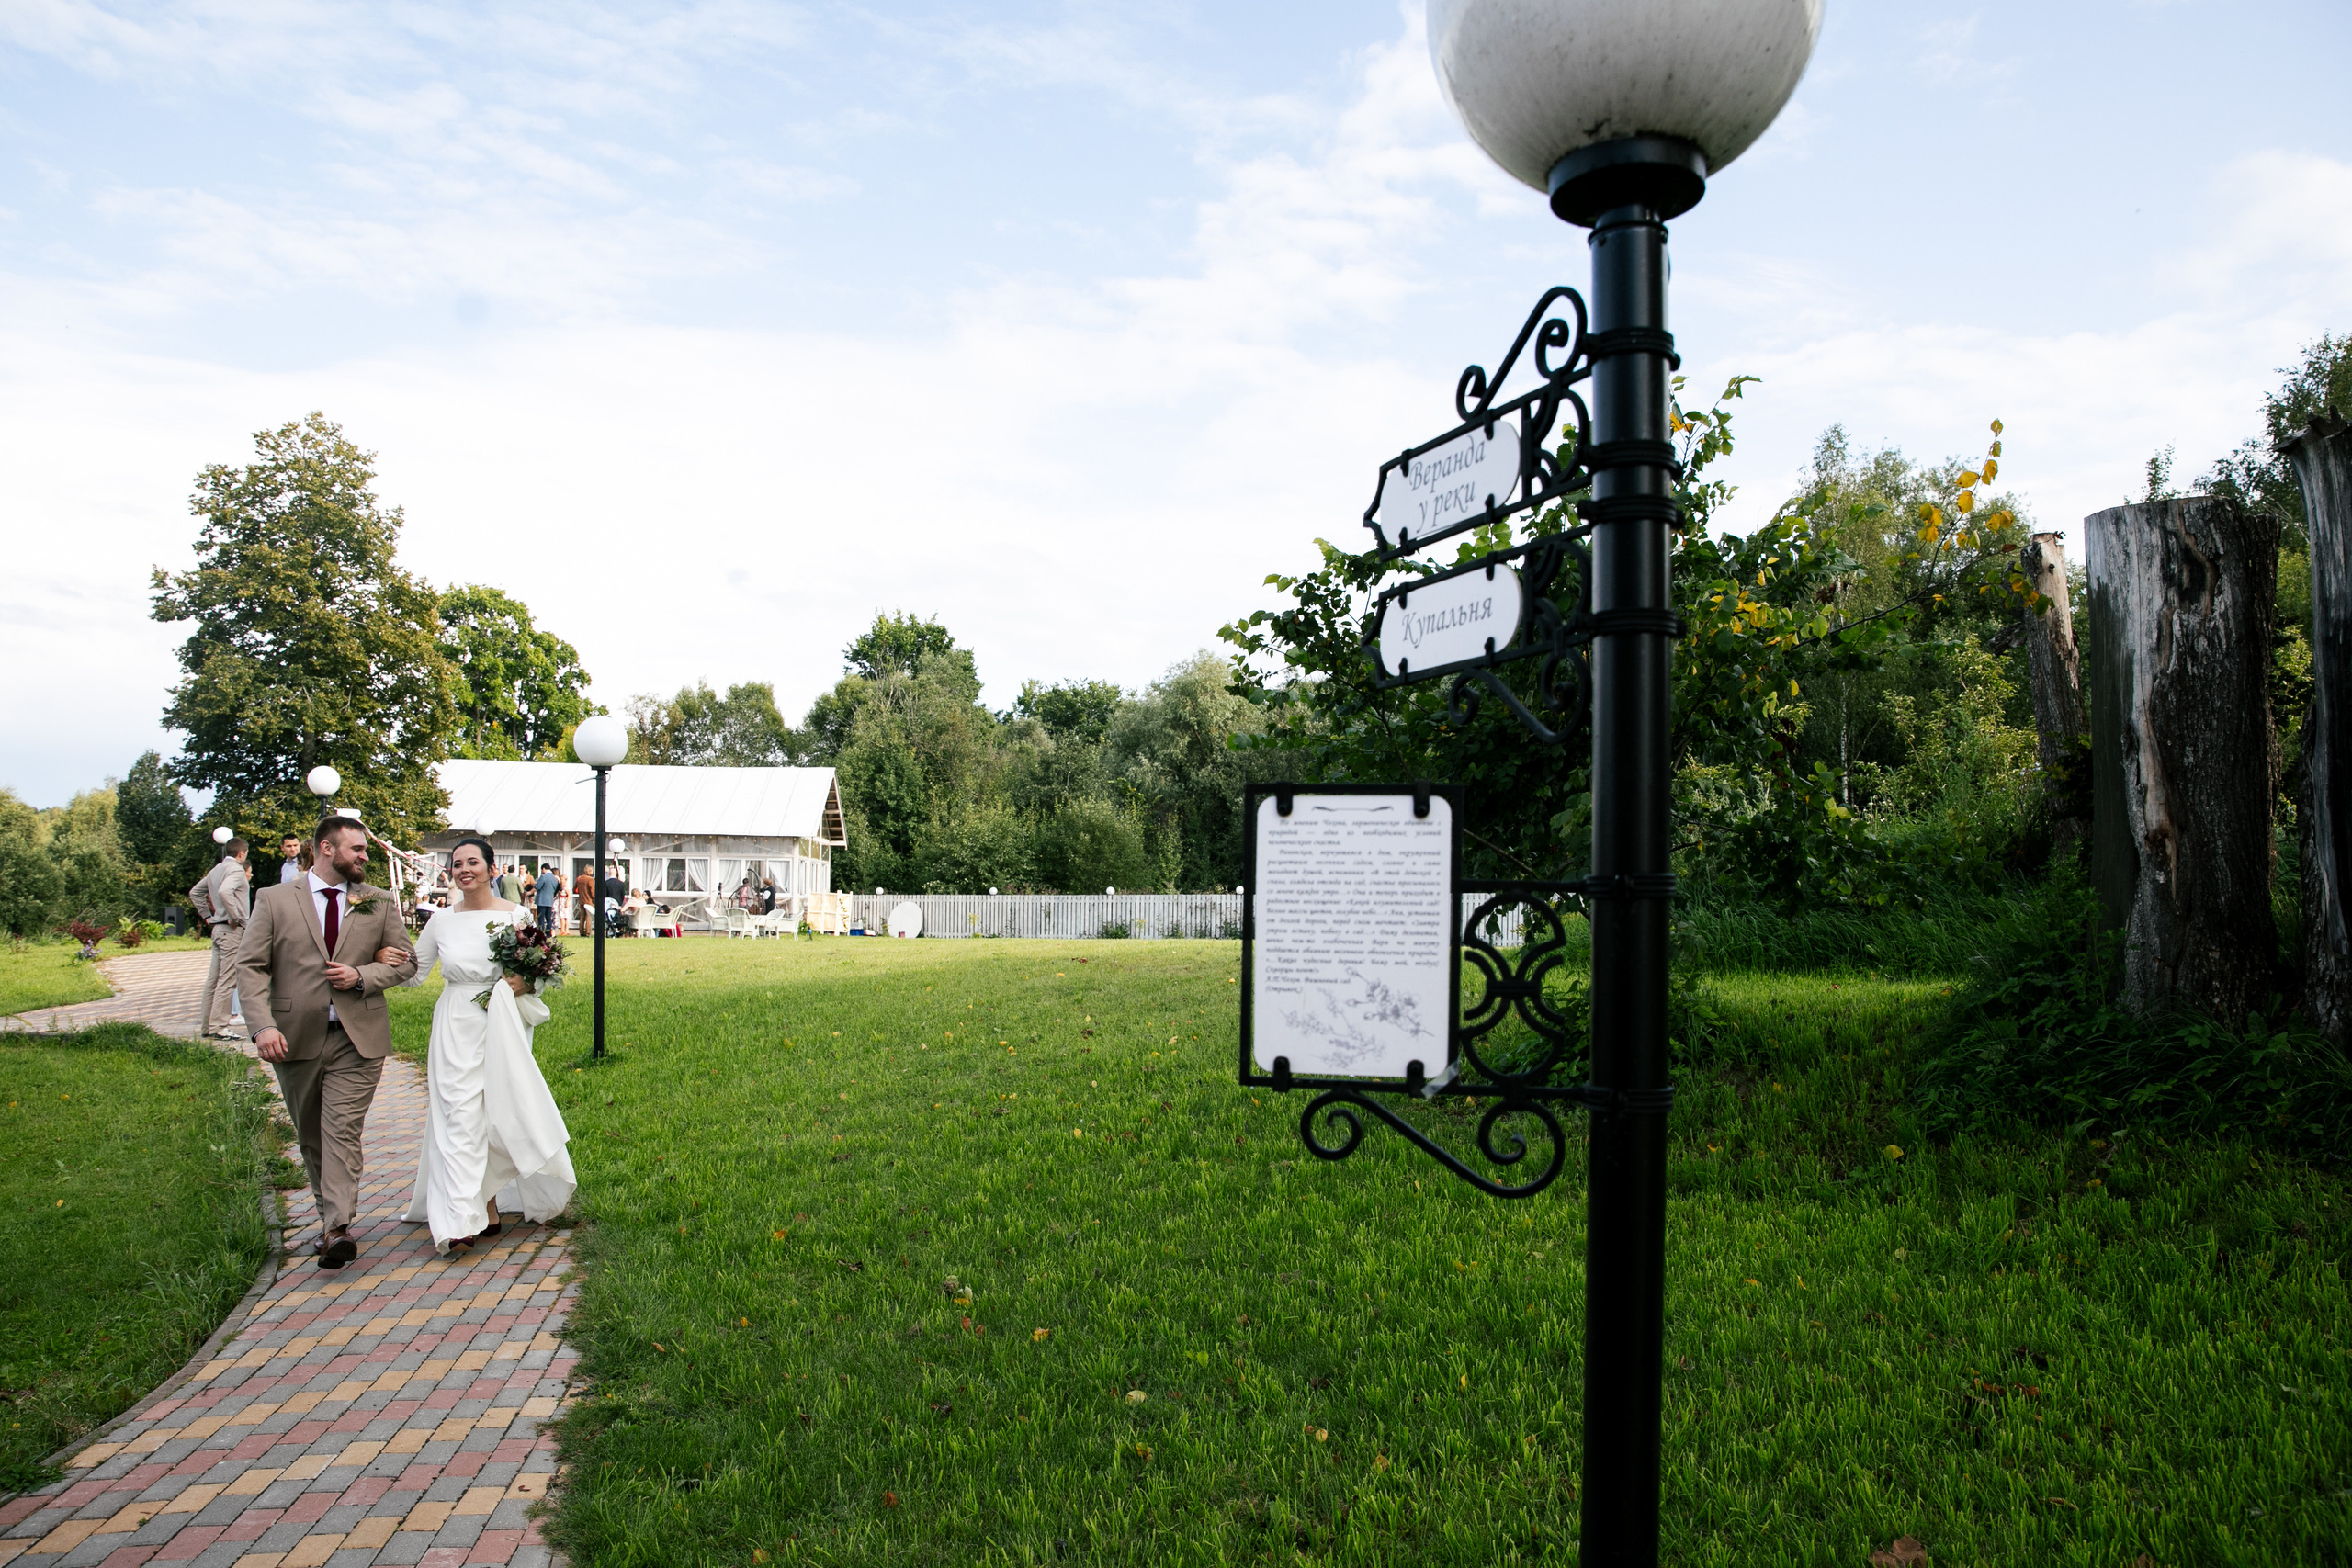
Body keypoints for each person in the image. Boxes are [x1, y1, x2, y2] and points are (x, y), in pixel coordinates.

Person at [233, 816, 417, 1269]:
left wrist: (363, 975)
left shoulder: (377, 901)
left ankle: (337, 1227)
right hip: (292, 1038)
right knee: (311, 1136)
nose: (365, 856)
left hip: (358, 1038)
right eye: (357, 848)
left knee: (341, 1131)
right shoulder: (274, 899)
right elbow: (251, 967)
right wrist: (262, 1026)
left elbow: (407, 962)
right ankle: (328, 1218)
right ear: (326, 849)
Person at [380, 835, 575, 1258]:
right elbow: (416, 975)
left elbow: (541, 967)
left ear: (490, 867)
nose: (464, 869)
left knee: (496, 1110)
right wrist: (390, 959)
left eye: (473, 862)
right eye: (456, 863)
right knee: (458, 1113)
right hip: (455, 1021)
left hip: (502, 1021)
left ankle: (486, 1203)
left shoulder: (517, 914)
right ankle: (459, 1218)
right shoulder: (440, 921)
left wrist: (528, 981)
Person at [190, 838, 251, 1038]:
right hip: (230, 930)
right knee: (227, 979)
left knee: (213, 979)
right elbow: (226, 891)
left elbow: (195, 892)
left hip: (217, 930)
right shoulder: (235, 870)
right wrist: (234, 917)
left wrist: (207, 916)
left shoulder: (216, 870)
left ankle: (207, 1027)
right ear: (242, 853)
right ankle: (219, 1027)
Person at [533, 863, 561, 933]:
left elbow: (538, 887)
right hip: (550, 901)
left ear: (543, 869)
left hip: (542, 901)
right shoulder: (554, 878)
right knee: (548, 918)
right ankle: (548, 933)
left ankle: (541, 932)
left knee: (541, 918)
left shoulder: (543, 877)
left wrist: (534, 884)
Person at [571, 866, 595, 936]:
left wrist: (580, 892)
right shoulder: (590, 879)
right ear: (590, 871)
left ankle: (581, 932)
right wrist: (594, 898)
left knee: (582, 917)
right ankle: (588, 932)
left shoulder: (580, 878)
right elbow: (592, 891)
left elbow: (574, 888)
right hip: (589, 900)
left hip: (581, 900)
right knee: (588, 916)